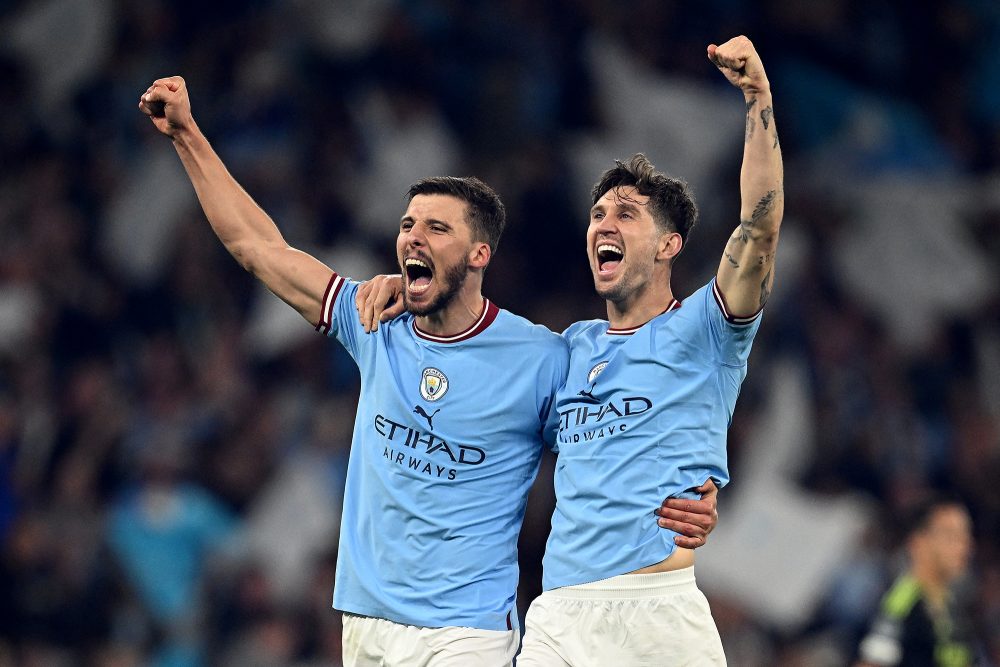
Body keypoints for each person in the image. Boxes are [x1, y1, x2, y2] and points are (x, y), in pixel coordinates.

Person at [138, 77, 716, 667]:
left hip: (467, 633)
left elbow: (617, 426)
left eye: (437, 228)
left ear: (478, 255)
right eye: (408, 225)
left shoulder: (541, 358)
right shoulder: (373, 319)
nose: (414, 237)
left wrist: (690, 492)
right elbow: (256, 246)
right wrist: (187, 134)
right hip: (365, 619)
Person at [357, 35, 783, 665]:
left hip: (658, 611)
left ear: (669, 246)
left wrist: (757, 98)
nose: (603, 225)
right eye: (597, 214)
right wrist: (408, 285)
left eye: (627, 215)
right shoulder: (567, 352)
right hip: (561, 615)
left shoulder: (706, 331)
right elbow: (470, 354)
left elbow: (759, 225)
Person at [855, 496, 979, 667]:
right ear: (918, 542)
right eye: (951, 535)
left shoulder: (952, 604)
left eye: (965, 535)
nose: (965, 545)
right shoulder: (900, 601)